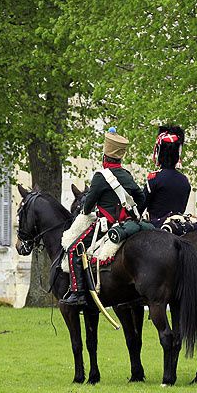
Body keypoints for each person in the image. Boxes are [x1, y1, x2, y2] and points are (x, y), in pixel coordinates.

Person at [61, 128, 145, 306]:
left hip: (106, 227)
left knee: (74, 249)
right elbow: (140, 198)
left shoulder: (100, 177)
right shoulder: (127, 176)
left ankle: (78, 293)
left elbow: (88, 205)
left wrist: (86, 210)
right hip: (128, 225)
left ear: (105, 157)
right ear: (120, 157)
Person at [143, 125, 191, 227]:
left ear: (160, 154)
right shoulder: (184, 180)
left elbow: (141, 207)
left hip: (156, 227)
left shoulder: (154, 178)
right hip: (178, 227)